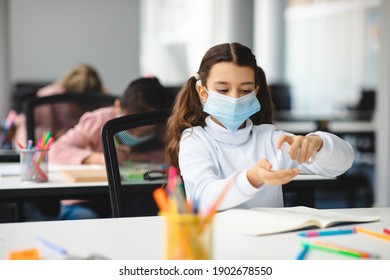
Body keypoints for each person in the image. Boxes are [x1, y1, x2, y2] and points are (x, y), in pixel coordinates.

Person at [166, 42, 355, 213]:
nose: (235, 98)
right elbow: (204, 197)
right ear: (202, 92)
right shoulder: (195, 139)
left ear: (255, 92)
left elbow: (342, 164)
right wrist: (252, 178)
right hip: (214, 242)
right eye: (223, 90)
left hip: (269, 241)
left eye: (245, 90)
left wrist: (318, 143)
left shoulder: (269, 138)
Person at [50, 76, 171, 219]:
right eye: (131, 129)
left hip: (133, 198)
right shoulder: (98, 120)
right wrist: (104, 157)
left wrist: (138, 157)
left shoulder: (163, 126)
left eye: (145, 132)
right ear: (118, 106)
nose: (137, 135)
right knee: (88, 220)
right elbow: (56, 150)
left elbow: (174, 154)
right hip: (86, 200)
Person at [14, 63, 109, 146]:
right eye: (78, 106)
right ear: (65, 91)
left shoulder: (104, 99)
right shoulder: (45, 100)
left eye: (88, 107)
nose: (82, 112)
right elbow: (24, 141)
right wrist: (54, 135)